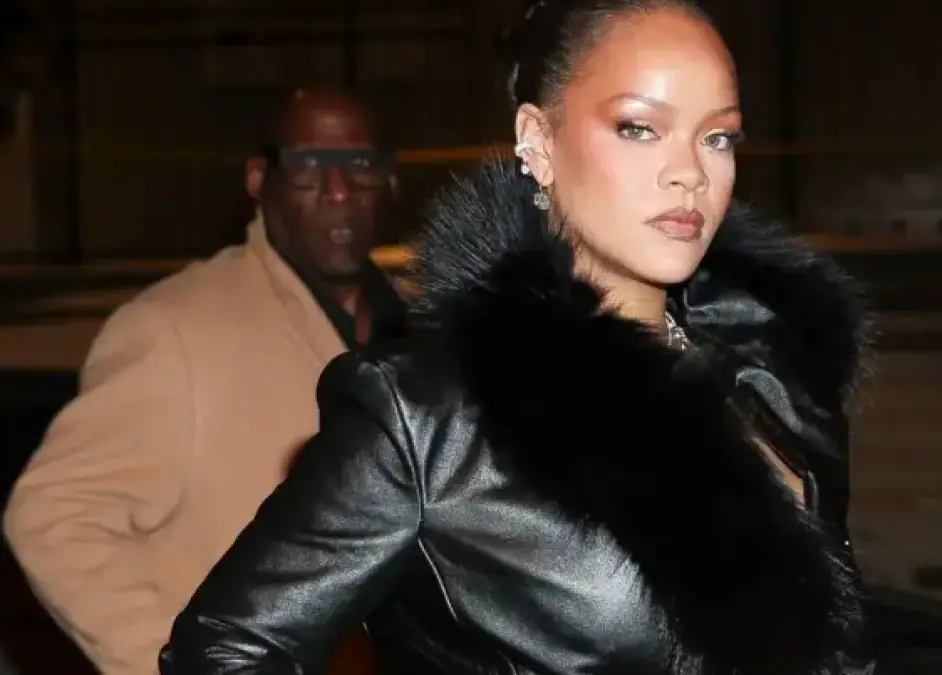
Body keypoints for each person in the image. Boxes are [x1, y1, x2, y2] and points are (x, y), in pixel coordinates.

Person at [159, 1, 876, 673]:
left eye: (717, 137)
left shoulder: (772, 370)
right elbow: (223, 650)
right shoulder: (428, 420)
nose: (689, 173)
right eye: (639, 128)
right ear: (537, 141)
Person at [3, 86, 407, 675]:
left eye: (359, 164)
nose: (338, 190)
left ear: (388, 179)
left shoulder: (423, 327)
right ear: (258, 180)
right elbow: (52, 517)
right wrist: (184, 664)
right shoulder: (176, 328)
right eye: (308, 165)